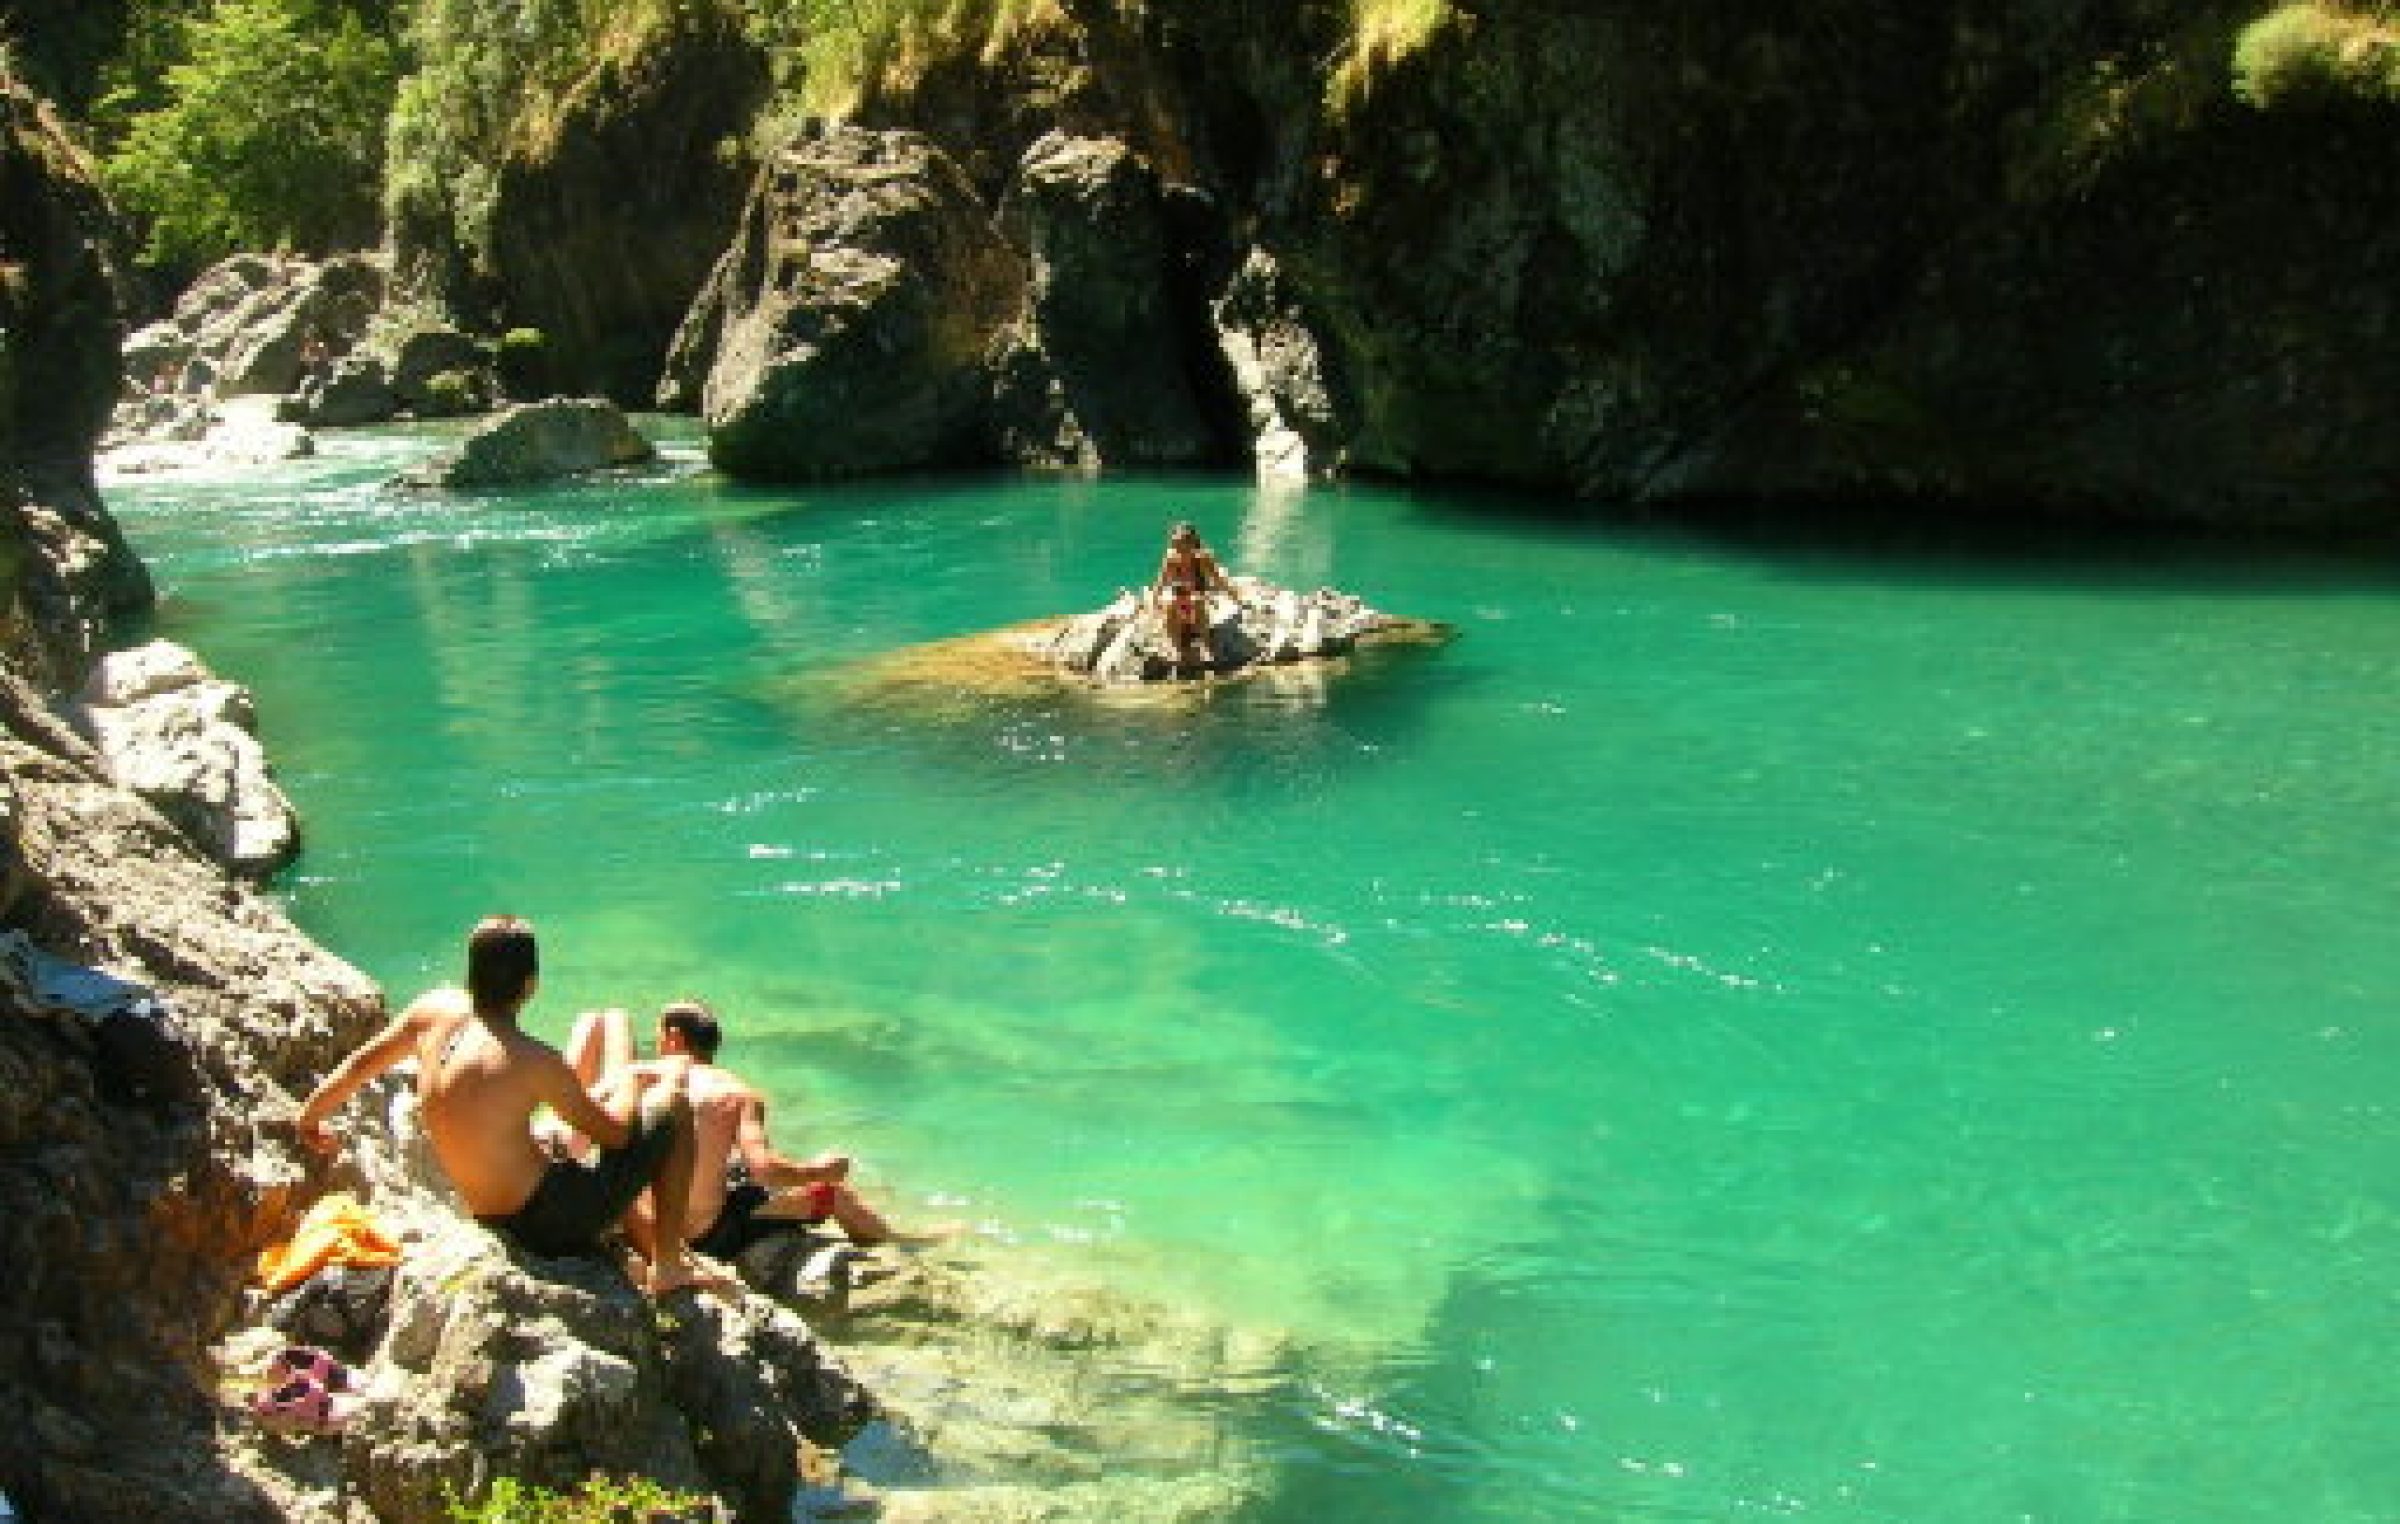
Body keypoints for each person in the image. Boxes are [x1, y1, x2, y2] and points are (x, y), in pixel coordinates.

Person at [293, 915, 723, 1295]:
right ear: (530, 985)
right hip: (547, 1223)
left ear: (472, 972)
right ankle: (667, 1266)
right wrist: (630, 1078)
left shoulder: (431, 1012)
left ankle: (657, 1248)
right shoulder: (533, 1059)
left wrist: (310, 1116)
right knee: (671, 1105)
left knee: (561, 1152)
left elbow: (356, 1066)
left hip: (484, 1209)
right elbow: (618, 1135)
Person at [564, 1000, 895, 1258]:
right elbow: (765, 1170)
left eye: (659, 1036)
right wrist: (821, 1170)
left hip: (634, 1220)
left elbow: (575, 1124)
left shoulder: (633, 1075)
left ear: (673, 1037)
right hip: (703, 1235)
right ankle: (899, 1242)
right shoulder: (736, 1092)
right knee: (832, 1192)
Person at [1151, 521, 1237, 672]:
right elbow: (1161, 582)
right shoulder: (1171, 558)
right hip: (1179, 599)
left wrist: (1236, 599)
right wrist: (1154, 603)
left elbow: (1219, 581)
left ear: (1192, 543)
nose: (1178, 548)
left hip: (1198, 599)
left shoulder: (1202, 558)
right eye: (1175, 544)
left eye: (1182, 544)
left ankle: (1205, 644)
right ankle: (1178, 649)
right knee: (1171, 605)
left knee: (1196, 600)